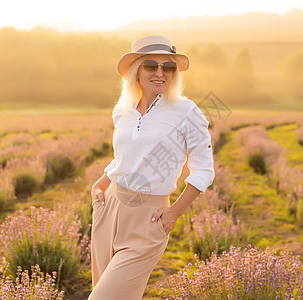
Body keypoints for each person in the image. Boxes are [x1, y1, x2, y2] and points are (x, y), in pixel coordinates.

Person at [88, 34, 215, 299]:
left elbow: (204, 170)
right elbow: (123, 158)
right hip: (108, 208)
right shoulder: (122, 110)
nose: (161, 73)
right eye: (151, 65)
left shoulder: (187, 111)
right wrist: (100, 185)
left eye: (168, 67)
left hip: (149, 218)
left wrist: (175, 213)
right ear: (136, 71)